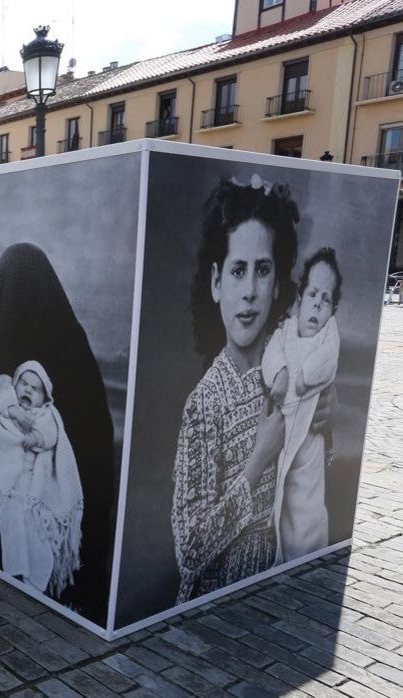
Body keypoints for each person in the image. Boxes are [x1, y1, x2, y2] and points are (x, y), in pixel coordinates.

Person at [171, 176, 332, 604]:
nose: (249, 292)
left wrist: (321, 429)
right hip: (215, 608)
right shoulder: (204, 403)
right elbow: (189, 550)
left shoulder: (294, 372)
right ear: (216, 283)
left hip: (279, 590)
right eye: (238, 271)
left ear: (278, 284)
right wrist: (257, 461)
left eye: (262, 270)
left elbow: (308, 483)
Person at [0, 361, 82, 596]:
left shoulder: (47, 414)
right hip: (5, 471)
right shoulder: (8, 401)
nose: (28, 390)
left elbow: (52, 435)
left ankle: (31, 580)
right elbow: (0, 398)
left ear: (45, 397)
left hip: (29, 482)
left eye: (36, 388)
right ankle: (13, 571)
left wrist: (37, 437)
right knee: (12, 525)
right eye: (24, 384)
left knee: (32, 531)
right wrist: (14, 411)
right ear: (15, 384)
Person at [262, 247, 341, 563]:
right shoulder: (286, 332)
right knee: (283, 495)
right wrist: (280, 372)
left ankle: (306, 546)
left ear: (332, 311)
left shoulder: (327, 335)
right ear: (299, 299)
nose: (317, 304)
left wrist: (307, 376)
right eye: (312, 294)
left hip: (308, 435)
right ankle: (283, 549)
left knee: (306, 500)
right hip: (284, 424)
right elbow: (273, 353)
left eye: (326, 299)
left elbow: (328, 360)